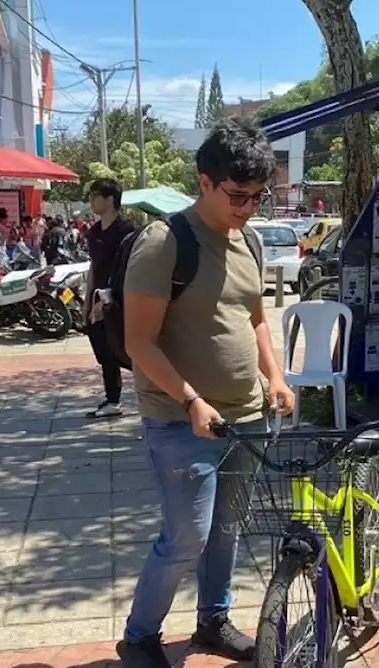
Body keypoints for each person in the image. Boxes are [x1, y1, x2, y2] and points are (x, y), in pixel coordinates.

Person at [116, 118, 294, 668]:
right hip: (179, 420)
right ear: (204, 181)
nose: (248, 208)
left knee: (228, 530)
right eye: (237, 195)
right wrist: (192, 400)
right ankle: (140, 638)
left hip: (247, 417)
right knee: (186, 536)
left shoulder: (253, 241)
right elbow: (138, 342)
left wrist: (277, 377)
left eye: (257, 196)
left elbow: (257, 318)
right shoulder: (165, 242)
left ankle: (213, 621)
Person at [84, 178, 132, 419]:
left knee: (129, 350)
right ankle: (113, 400)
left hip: (123, 300)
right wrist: (88, 300)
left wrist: (112, 299)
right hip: (98, 299)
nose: (91, 200)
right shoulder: (93, 233)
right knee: (105, 350)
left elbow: (133, 268)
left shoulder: (127, 231)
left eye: (95, 195)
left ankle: (160, 394)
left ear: (110, 199)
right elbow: (94, 267)